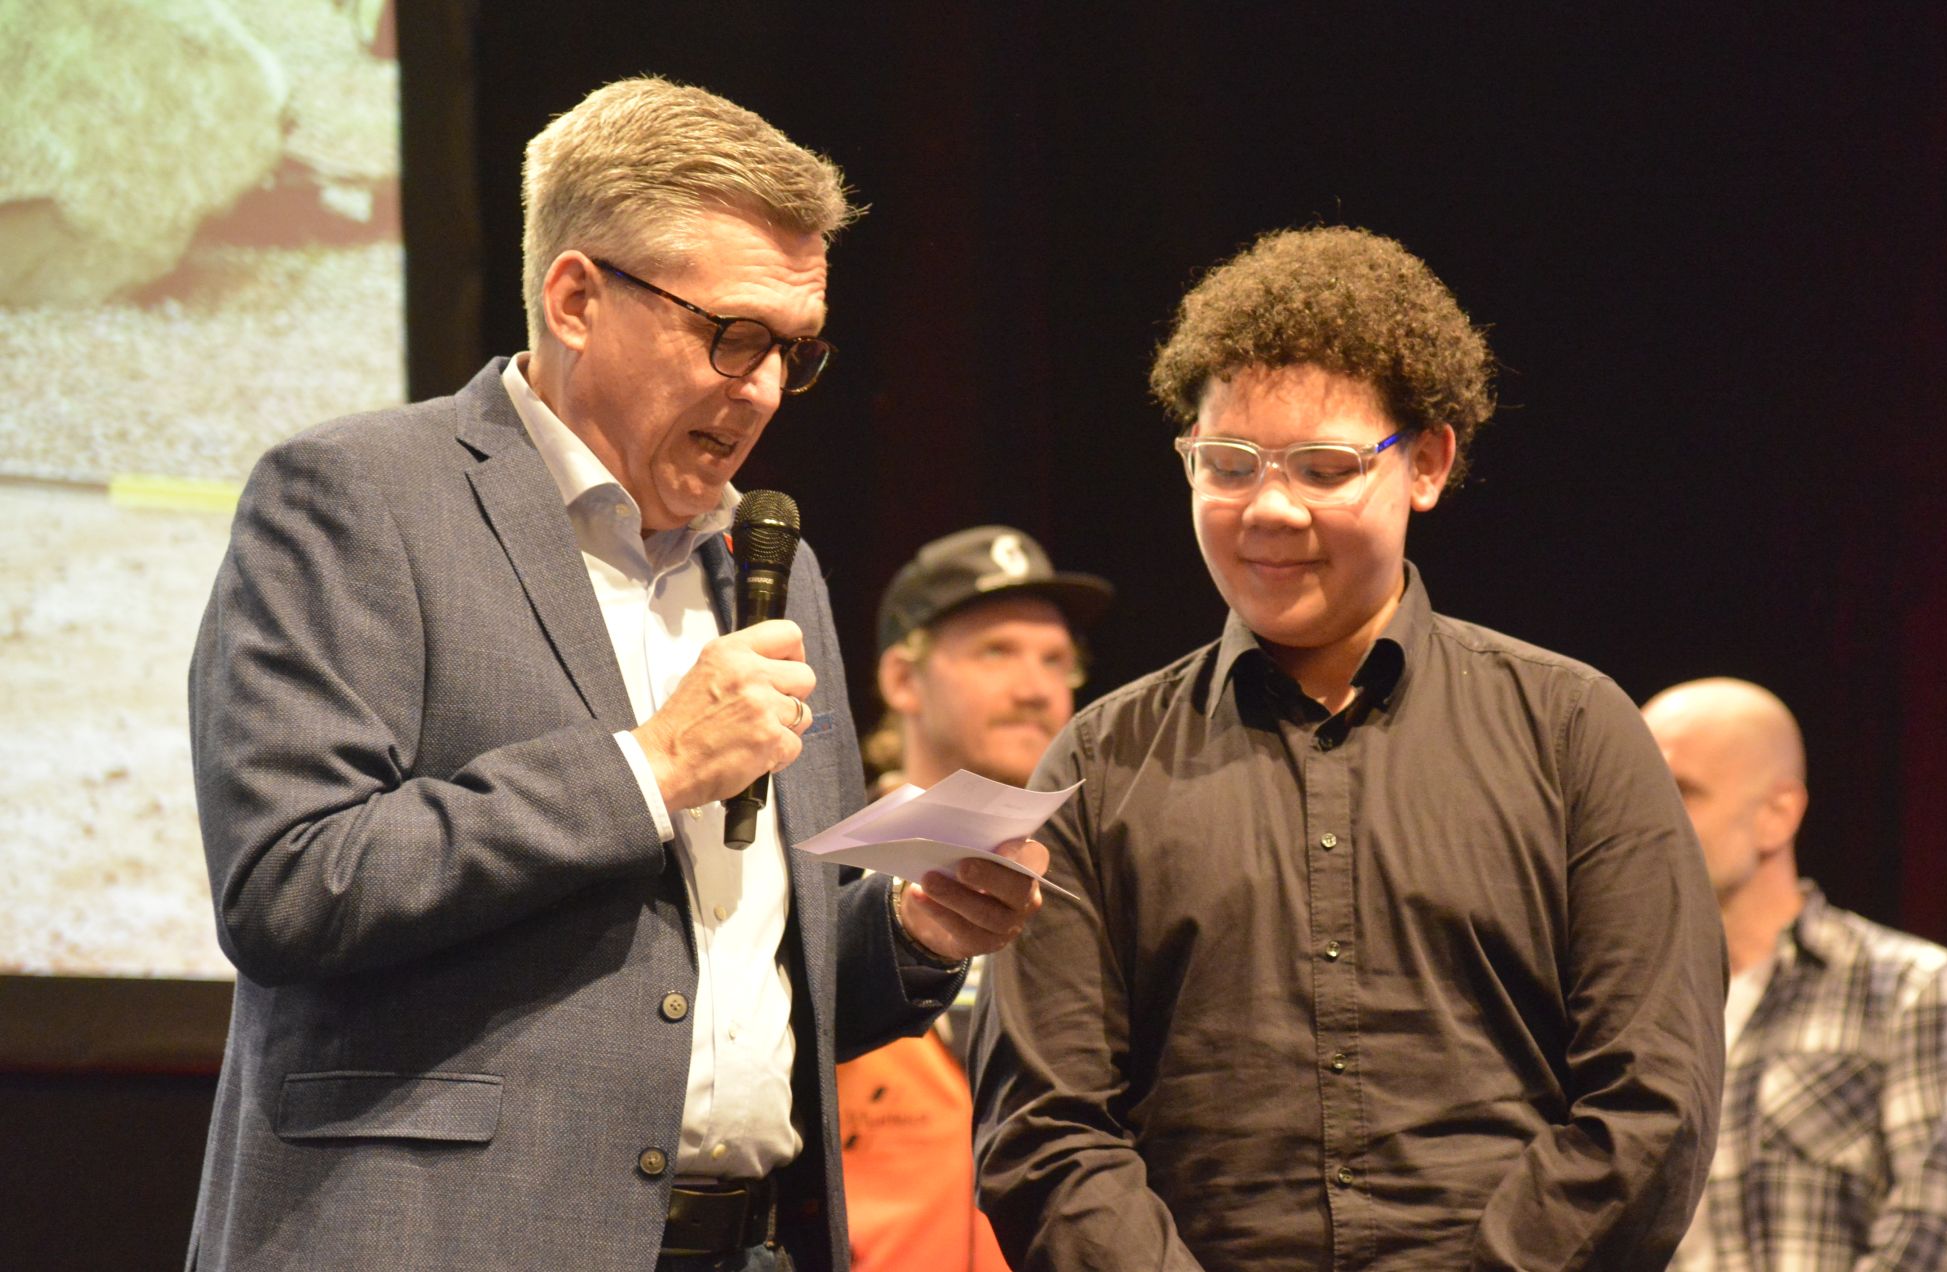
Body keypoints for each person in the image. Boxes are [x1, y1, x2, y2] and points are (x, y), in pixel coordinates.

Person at [185, 78, 1046, 1272]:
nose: (762, 389)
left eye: (793, 351)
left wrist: (913, 930)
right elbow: (291, 883)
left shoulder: (773, 566)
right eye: (731, 335)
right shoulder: (358, 499)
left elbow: (754, 986)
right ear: (576, 298)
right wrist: (648, 769)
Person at [968, 225, 1727, 1270]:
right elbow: (1044, 1131)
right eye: (1227, 465)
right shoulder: (1099, 766)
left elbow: (1653, 1098)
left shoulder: (1574, 731)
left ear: (1428, 464)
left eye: (1323, 469)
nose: (1270, 509)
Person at [1642, 678, 1947, 1272]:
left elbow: (1942, 1241)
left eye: (1681, 792)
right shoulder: (1614, 1007)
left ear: (1776, 814)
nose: (1644, 820)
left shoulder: (1906, 988)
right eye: (1635, 794)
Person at [839, 526, 1112, 1272]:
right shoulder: (818, 877)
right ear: (903, 679)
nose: (1035, 688)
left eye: (1056, 660)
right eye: (997, 652)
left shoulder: (1094, 890)